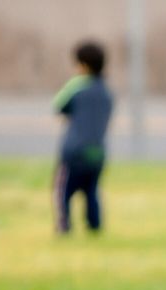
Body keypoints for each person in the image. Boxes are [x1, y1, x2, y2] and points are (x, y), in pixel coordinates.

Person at [52, 41, 113, 235]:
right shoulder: (107, 93)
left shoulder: (78, 88)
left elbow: (59, 105)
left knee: (63, 191)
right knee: (91, 191)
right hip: (97, 152)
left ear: (84, 66)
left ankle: (64, 227)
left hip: (74, 152)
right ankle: (94, 226)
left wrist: (74, 83)